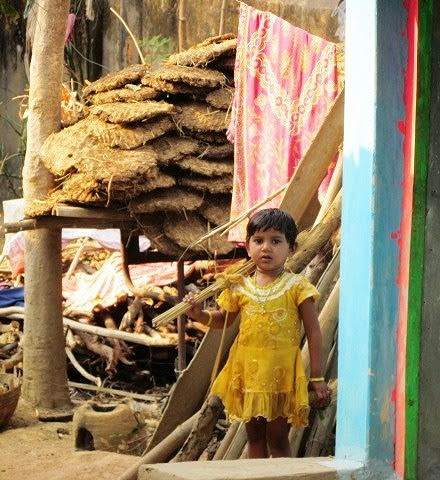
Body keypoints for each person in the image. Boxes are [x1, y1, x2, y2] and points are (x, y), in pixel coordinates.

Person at [184, 208, 330, 458]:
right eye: (258, 241)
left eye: (276, 241)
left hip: (281, 376)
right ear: (248, 247)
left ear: (291, 248)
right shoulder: (239, 286)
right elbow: (223, 320)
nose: (266, 248)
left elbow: (314, 333)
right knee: (254, 438)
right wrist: (198, 314)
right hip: (248, 374)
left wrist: (316, 378)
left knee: (278, 439)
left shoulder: (297, 287)